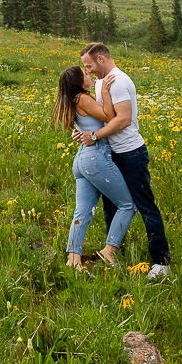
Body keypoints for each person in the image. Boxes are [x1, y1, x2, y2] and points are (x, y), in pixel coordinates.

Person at [72, 42, 172, 279]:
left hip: (130, 153)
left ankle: (161, 262)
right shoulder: (100, 84)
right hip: (110, 154)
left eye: (89, 66)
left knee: (144, 205)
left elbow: (123, 120)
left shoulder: (118, 82)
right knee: (111, 206)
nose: (88, 72)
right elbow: (98, 116)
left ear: (101, 59)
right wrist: (80, 132)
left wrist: (94, 136)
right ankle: (113, 253)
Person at [54, 65, 135, 269]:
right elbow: (109, 116)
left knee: (82, 212)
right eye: (86, 75)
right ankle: (109, 251)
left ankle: (73, 260)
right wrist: (106, 92)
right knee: (127, 205)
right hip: (96, 158)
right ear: (79, 83)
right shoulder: (82, 98)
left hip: (82, 160)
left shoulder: (72, 101)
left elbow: (84, 126)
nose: (90, 77)